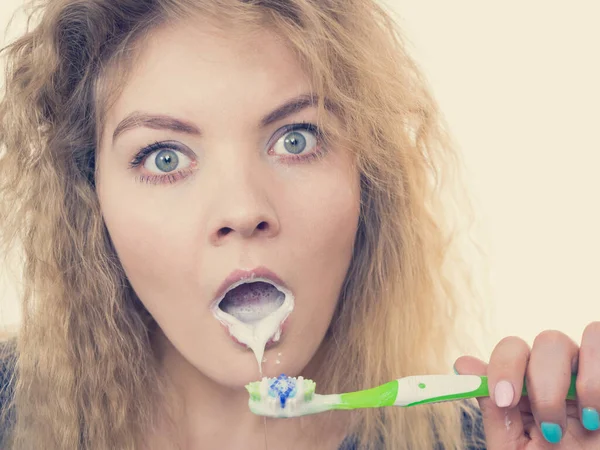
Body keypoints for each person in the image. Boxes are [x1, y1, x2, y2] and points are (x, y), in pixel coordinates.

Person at [0, 0, 597, 449]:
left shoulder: (497, 438)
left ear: (370, 175)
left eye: (295, 139)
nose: (242, 209)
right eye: (165, 158)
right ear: (88, 197)